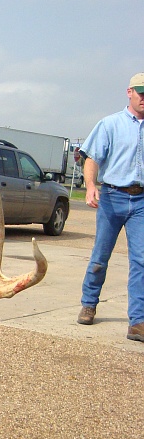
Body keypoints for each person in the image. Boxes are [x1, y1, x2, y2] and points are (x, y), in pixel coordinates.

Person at [77, 73, 144, 342]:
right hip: (112, 197)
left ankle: (137, 321)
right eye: (140, 92)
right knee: (100, 256)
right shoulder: (110, 124)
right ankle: (88, 303)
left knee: (141, 260)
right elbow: (92, 159)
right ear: (129, 92)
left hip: (142, 201)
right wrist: (90, 185)